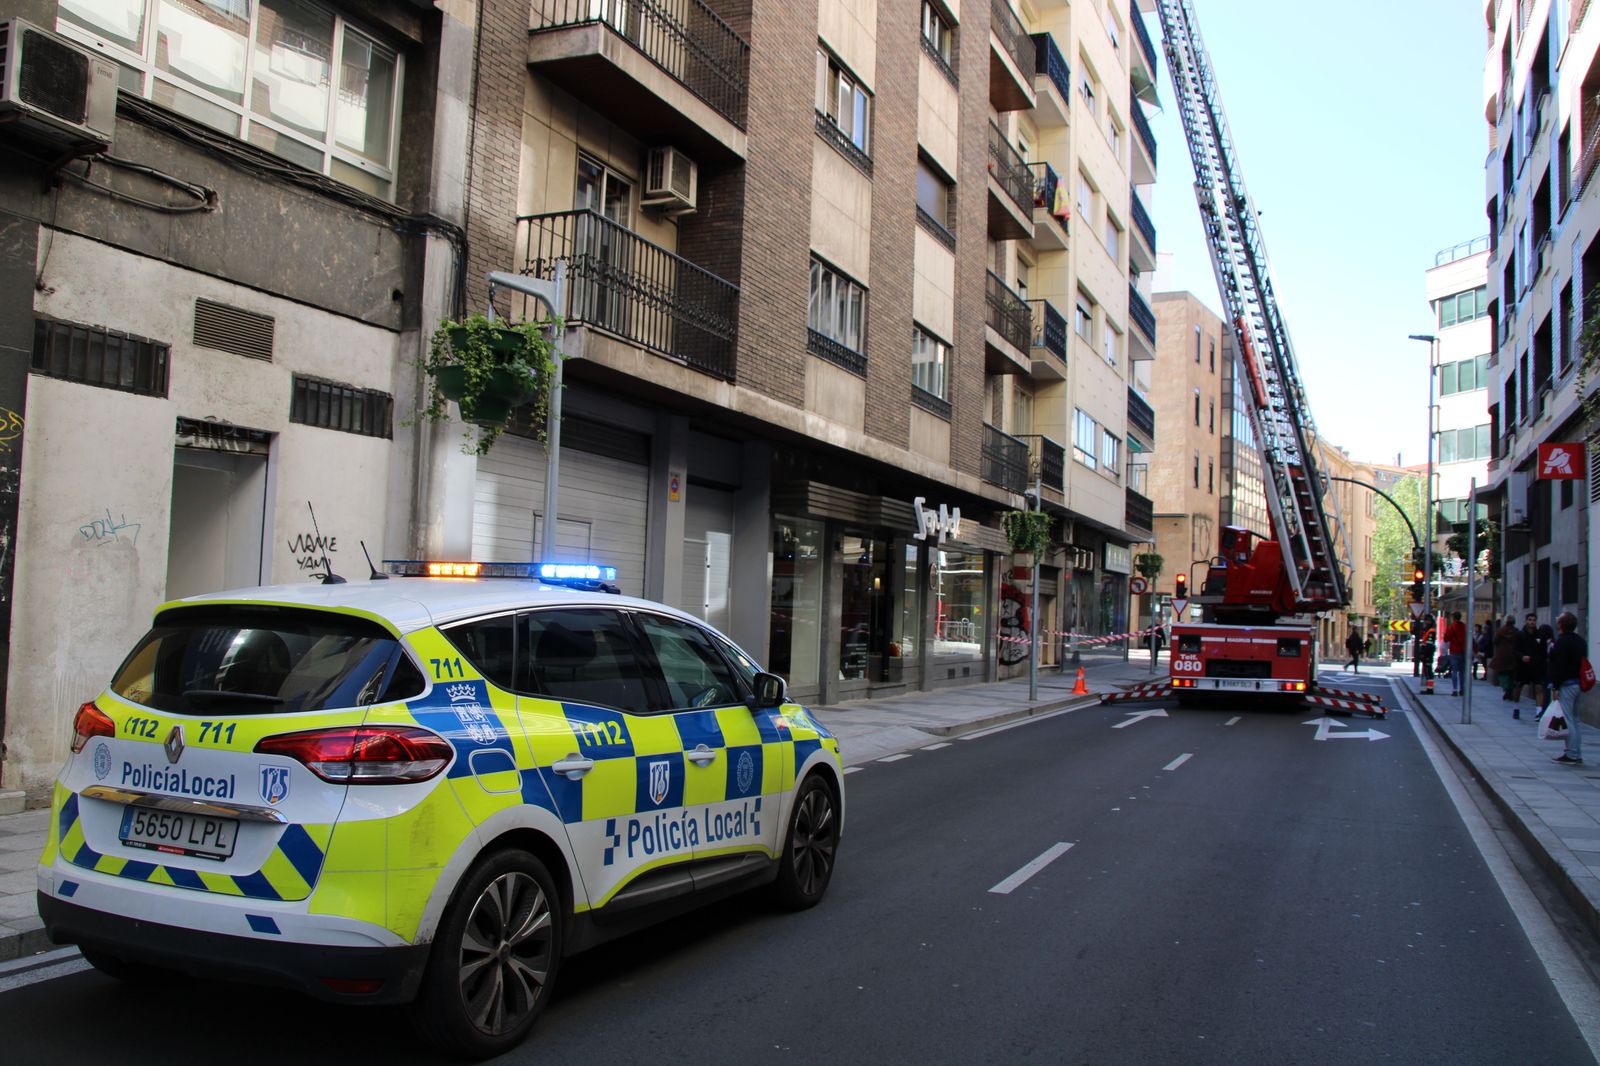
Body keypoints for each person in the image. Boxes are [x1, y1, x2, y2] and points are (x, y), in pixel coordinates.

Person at [1548, 611, 1587, 765]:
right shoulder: (1580, 641)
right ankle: (1576, 753)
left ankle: (1571, 754)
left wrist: (1555, 686)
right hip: (1578, 683)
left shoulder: (1562, 642)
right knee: (1575, 719)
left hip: (1567, 684)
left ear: (1561, 625)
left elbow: (1559, 666)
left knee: (1568, 719)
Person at [1491, 616, 1522, 717]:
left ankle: (1506, 688)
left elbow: (1495, 641)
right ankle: (1510, 689)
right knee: (1512, 673)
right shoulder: (1517, 631)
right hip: (1513, 655)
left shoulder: (1500, 631)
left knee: (1502, 673)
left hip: (1502, 655)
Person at [1517, 612, 1547, 719]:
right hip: (1523, 666)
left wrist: (1541, 662)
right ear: (1526, 621)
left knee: (1539, 688)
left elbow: (1543, 651)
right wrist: (1522, 657)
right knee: (1519, 687)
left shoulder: (1540, 635)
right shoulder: (1520, 634)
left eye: (1534, 620)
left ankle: (1538, 712)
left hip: (1536, 666)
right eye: (1530, 620)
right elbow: (1515, 650)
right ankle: (1516, 707)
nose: (1532, 622)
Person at [1443, 611, 1468, 697]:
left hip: (1454, 651)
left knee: (1454, 671)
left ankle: (1454, 689)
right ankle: (1462, 689)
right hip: (1463, 651)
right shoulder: (1465, 627)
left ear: (1453, 618)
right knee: (1462, 671)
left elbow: (1446, 639)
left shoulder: (1451, 627)